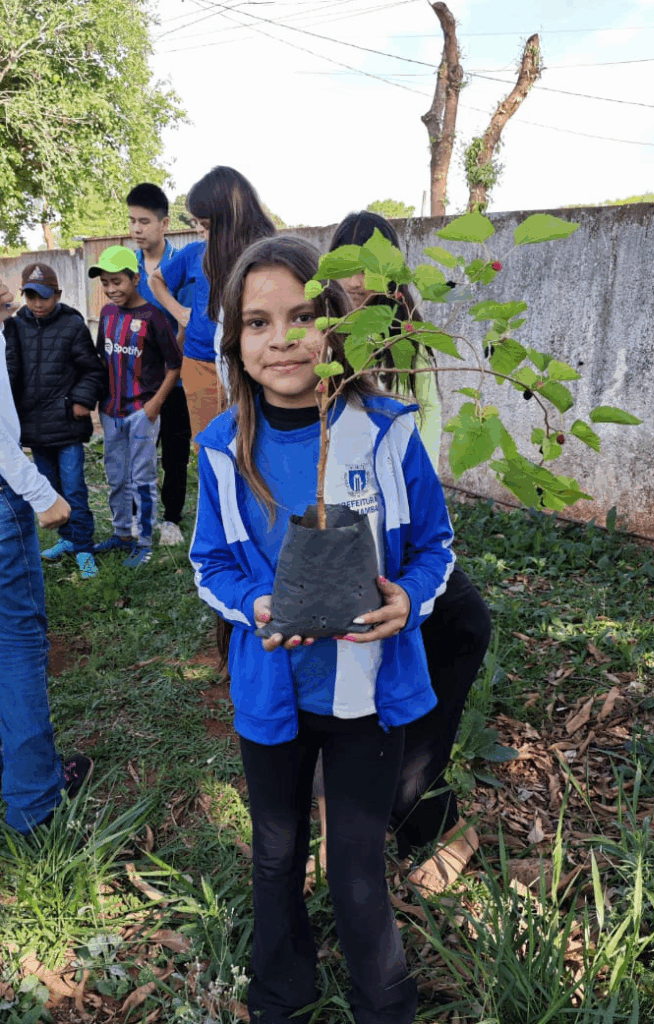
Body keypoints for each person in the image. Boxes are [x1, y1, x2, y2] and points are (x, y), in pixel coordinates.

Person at [189, 235, 455, 1024]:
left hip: (368, 694)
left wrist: (408, 599)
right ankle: (281, 988)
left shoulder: (385, 432)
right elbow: (210, 565)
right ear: (234, 342)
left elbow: (435, 548)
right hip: (273, 688)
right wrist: (257, 606)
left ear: (335, 326)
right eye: (257, 323)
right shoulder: (220, 452)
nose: (281, 339)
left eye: (302, 316)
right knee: (274, 853)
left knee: (355, 863)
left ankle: (385, 1000)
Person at [323, 210, 492, 894]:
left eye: (377, 267)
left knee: (459, 624)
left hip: (399, 546)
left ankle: (420, 805)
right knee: (340, 692)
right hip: (335, 545)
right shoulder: (315, 344)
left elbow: (423, 447)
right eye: (348, 266)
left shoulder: (412, 347)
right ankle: (368, 824)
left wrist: (417, 554)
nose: (362, 281)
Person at [0, 281, 92, 833]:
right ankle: (35, 800)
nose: (11, 293)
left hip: (59, 432)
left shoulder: (68, 325)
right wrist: (41, 495)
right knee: (16, 643)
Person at [149, 166, 276, 443]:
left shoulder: (266, 256)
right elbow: (156, 281)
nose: (199, 231)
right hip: (201, 364)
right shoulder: (196, 253)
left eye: (205, 225)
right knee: (209, 447)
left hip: (249, 365)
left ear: (230, 220)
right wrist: (180, 312)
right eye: (197, 223)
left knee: (253, 444)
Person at [4, 263, 106, 580]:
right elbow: (9, 373)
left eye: (44, 297)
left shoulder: (73, 324)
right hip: (34, 428)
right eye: (31, 296)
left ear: (58, 295)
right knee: (50, 489)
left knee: (74, 489)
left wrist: (81, 400)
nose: (37, 303)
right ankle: (66, 541)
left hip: (67, 426)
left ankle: (84, 547)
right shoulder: (14, 326)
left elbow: (93, 369)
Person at [90, 246, 183, 567]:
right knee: (116, 476)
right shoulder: (106, 314)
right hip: (111, 412)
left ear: (135, 278)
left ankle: (144, 541)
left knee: (141, 478)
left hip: (142, 412)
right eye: (105, 283)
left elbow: (174, 365)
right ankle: (121, 534)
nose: (111, 289)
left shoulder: (154, 317)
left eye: (117, 281)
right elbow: (102, 358)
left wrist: (155, 404)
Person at [126, 182, 192, 545]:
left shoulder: (180, 264)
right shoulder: (126, 266)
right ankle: (139, 516)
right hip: (137, 382)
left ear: (164, 224)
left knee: (175, 452)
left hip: (178, 379)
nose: (137, 229)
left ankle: (170, 519)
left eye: (145, 221)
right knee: (139, 452)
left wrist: (170, 362)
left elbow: (186, 319)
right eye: (132, 221)